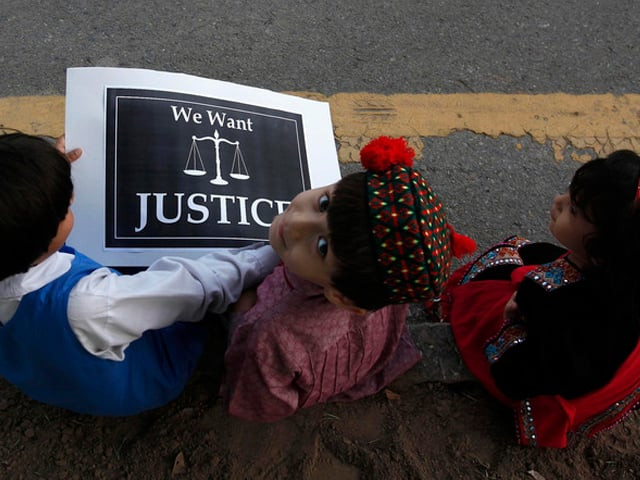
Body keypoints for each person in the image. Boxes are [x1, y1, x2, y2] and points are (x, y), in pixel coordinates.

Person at [0, 132, 279, 416]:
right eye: (65, 207)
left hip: (42, 374)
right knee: (236, 297)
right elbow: (197, 285)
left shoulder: (15, 249)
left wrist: (46, 177)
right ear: (45, 237)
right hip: (139, 381)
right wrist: (273, 252)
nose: (72, 197)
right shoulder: (92, 303)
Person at [222, 136, 476, 422]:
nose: (295, 223)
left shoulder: (270, 333)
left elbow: (261, 400)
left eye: (321, 247)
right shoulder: (380, 280)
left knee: (239, 300)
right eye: (323, 203)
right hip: (366, 351)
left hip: (297, 371)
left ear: (342, 297)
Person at [442, 149, 640, 448]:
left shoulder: (568, 307)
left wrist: (526, 310)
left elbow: (520, 376)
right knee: (525, 251)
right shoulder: (623, 275)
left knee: (495, 269)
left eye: (573, 210)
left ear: (603, 249)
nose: (558, 202)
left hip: (545, 375)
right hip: (602, 356)